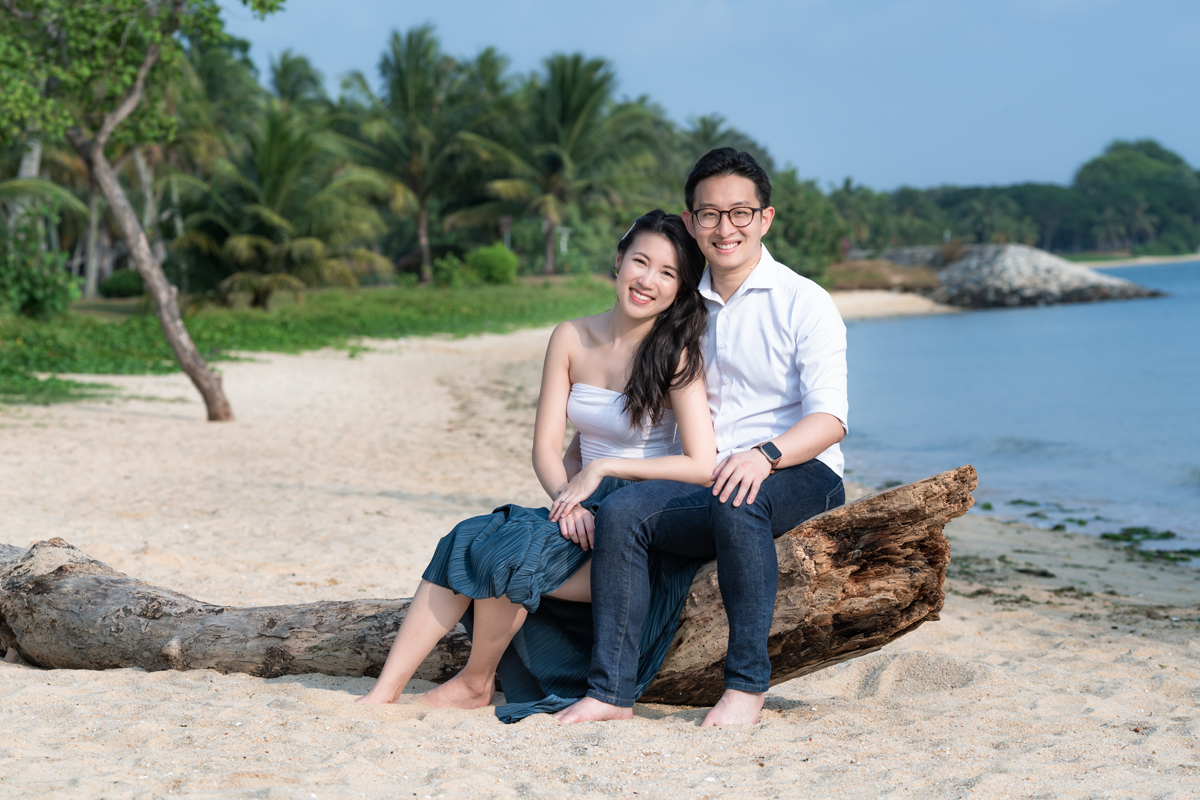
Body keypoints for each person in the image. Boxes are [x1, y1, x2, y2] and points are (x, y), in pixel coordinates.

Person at [356, 210, 716, 720]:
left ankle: (476, 684)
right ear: (618, 260)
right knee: (467, 536)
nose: (647, 280)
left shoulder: (676, 354)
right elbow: (546, 448)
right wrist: (568, 503)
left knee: (511, 553)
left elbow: (703, 464)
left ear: (680, 289)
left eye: (667, 272)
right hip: (579, 510)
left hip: (637, 528)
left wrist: (603, 469)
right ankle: (382, 693)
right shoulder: (570, 337)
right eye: (641, 261)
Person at [554, 148, 849, 727]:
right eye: (709, 214)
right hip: (703, 474)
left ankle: (746, 686)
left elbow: (831, 420)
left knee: (738, 498)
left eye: (740, 213)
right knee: (623, 514)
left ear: (765, 219)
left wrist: (765, 456)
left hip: (799, 470)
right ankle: (611, 693)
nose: (725, 227)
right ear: (690, 223)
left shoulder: (805, 302)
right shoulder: (680, 305)